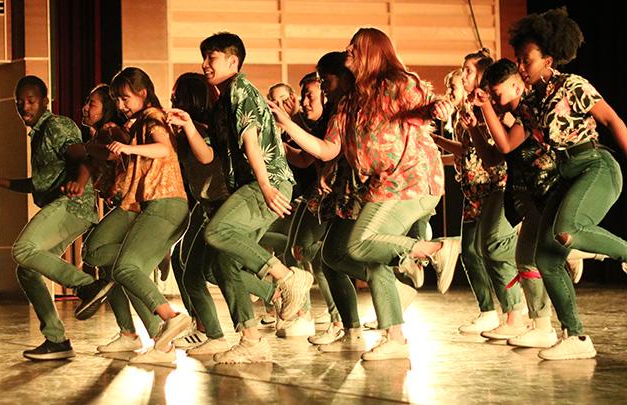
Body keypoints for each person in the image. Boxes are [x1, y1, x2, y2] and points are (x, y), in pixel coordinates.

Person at [270, 28, 460, 360]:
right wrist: (287, 124)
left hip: (412, 179)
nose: (348, 50)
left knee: (359, 243)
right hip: (383, 185)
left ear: (373, 51)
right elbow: (327, 150)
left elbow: (424, 108)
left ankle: (436, 249)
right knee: (357, 256)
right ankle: (394, 337)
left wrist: (438, 108)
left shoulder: (398, 83)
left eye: (354, 47)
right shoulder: (349, 103)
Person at [480, 8, 627, 360]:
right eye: (518, 59)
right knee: (545, 259)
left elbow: (613, 120)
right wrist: (483, 107)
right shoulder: (532, 101)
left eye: (527, 60)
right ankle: (577, 338)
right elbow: (506, 145)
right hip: (565, 175)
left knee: (566, 230)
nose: (521, 66)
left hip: (595, 166)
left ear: (547, 60)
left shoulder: (572, 86)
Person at [170, 32, 313, 364]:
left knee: (217, 232)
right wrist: (189, 125)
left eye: (212, 57)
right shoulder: (223, 101)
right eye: (204, 57)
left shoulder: (241, 89)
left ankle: (287, 277)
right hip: (249, 187)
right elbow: (211, 155)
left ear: (232, 61)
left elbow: (251, 139)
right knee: (219, 264)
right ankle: (251, 339)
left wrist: (265, 185)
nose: (205, 64)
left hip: (266, 182)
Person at [0, 76, 112, 361]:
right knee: (26, 270)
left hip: (73, 204)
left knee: (23, 249)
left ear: (45, 101)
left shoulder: (56, 126)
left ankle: (87, 285)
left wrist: (78, 183)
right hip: (67, 206)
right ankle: (57, 340)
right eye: (19, 102)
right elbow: (39, 183)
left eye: (31, 100)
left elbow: (83, 157)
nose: (24, 106)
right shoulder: (38, 134)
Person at [167, 72, 280, 356]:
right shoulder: (187, 132)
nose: (172, 101)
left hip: (223, 207)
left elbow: (206, 157)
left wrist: (188, 128)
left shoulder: (202, 131)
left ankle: (272, 294)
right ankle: (215, 333)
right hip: (207, 207)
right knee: (198, 272)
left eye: (177, 96)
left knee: (212, 270)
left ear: (191, 99)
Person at [89, 67, 192, 364]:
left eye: (125, 98)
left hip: (165, 203)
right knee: (119, 266)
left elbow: (163, 149)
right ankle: (162, 346)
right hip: (150, 205)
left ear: (143, 93)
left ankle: (171, 318)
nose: (121, 105)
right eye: (117, 100)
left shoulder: (152, 116)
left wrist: (126, 147)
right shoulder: (139, 122)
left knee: (125, 267)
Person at [432, 50, 528, 338]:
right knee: (476, 253)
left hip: (496, 184)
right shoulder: (470, 112)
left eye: (467, 72)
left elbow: (505, 146)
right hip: (475, 187)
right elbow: (474, 151)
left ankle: (515, 310)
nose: (462, 77)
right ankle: (494, 312)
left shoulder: (498, 107)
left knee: (488, 249)